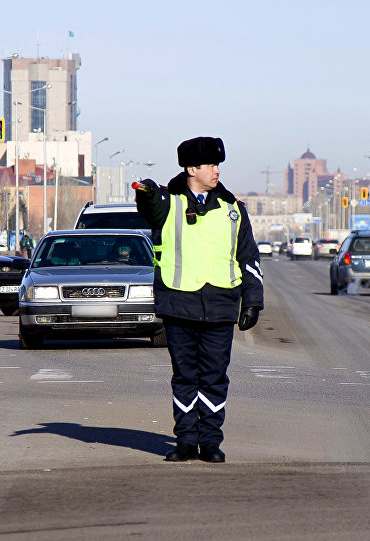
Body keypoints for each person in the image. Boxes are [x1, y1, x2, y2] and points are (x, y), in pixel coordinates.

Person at [135, 136, 264, 463]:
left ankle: (210, 442)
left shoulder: (233, 209)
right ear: (192, 169)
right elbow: (150, 207)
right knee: (185, 377)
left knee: (214, 377)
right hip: (179, 306)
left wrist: (252, 300)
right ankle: (185, 442)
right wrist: (147, 193)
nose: (216, 171)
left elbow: (248, 257)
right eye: (211, 165)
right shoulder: (169, 203)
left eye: (218, 165)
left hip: (220, 307)